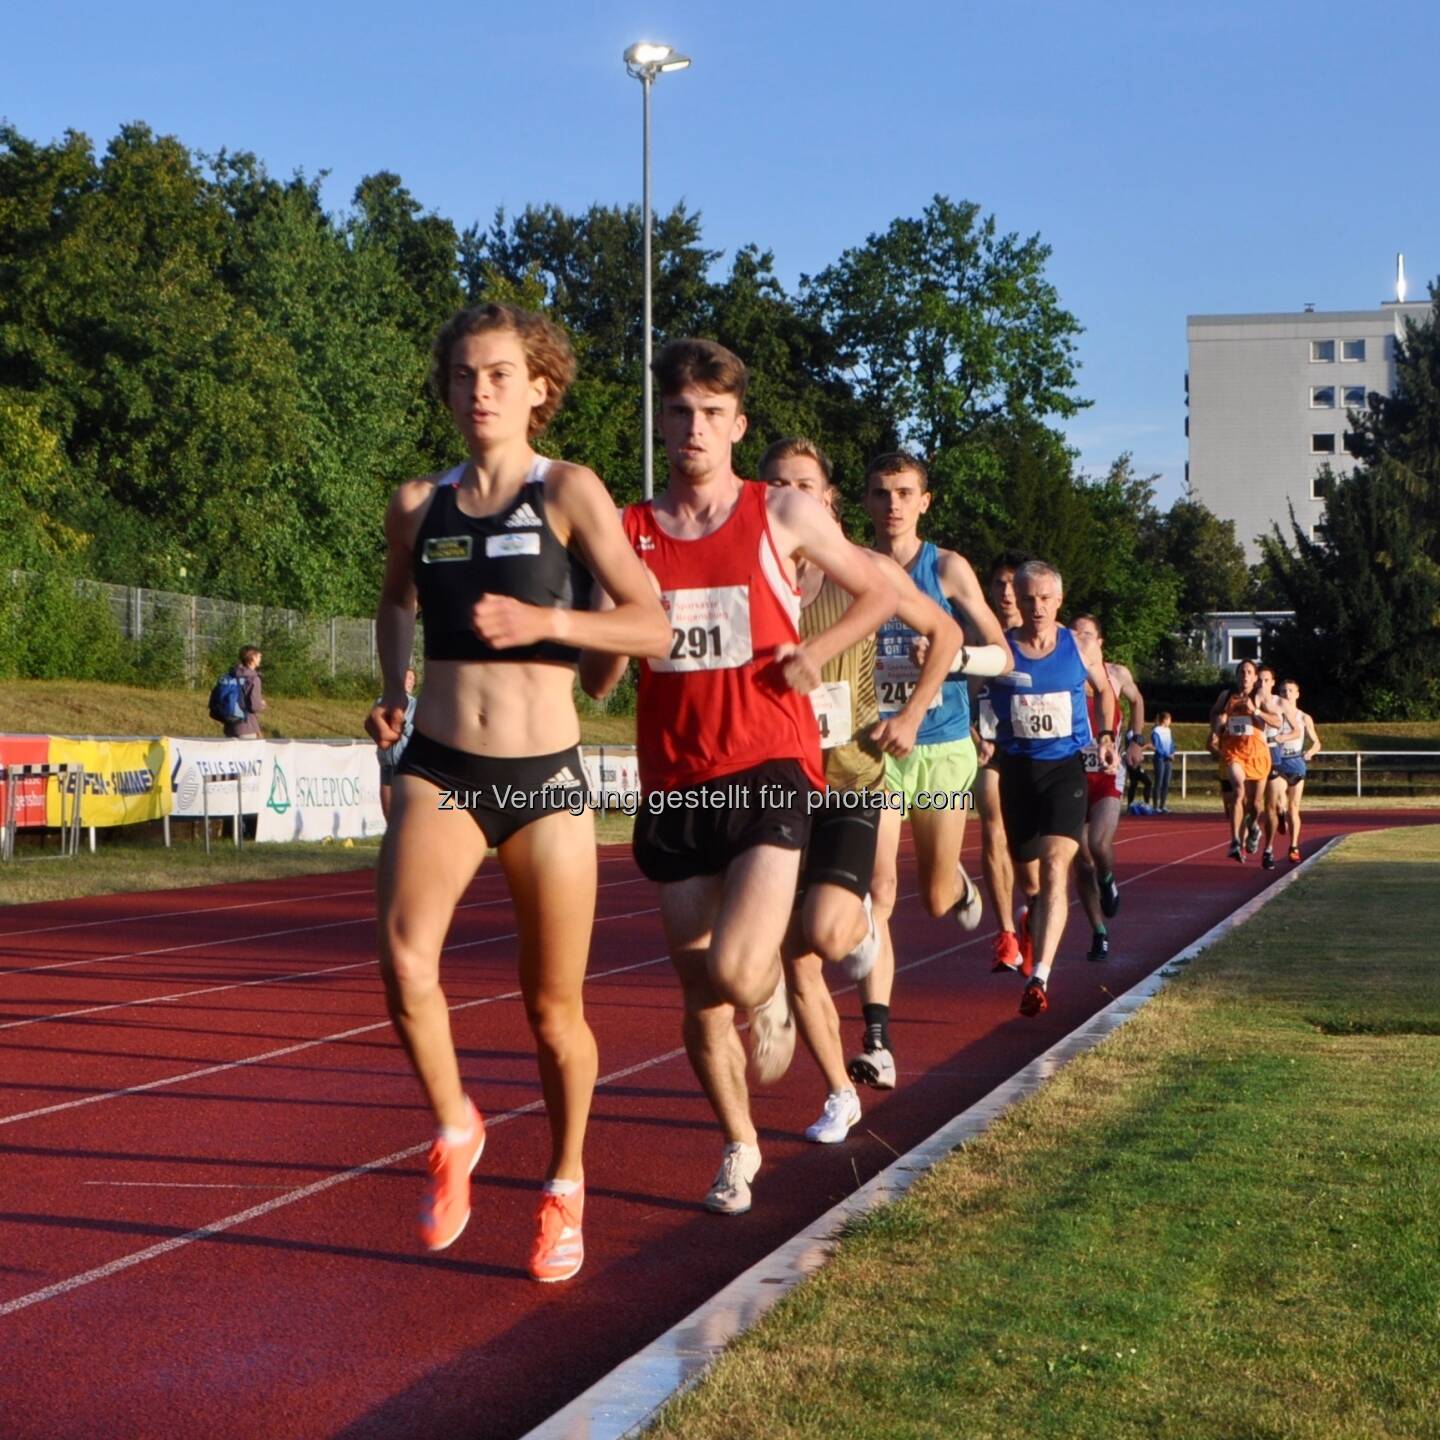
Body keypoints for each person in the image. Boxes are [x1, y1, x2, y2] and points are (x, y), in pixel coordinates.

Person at [368, 302, 669, 1283]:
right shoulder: (419, 503)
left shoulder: (569, 490)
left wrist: (555, 622)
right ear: (446, 389)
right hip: (443, 766)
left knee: (552, 1013)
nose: (480, 390)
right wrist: (392, 690)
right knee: (406, 960)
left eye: (499, 374)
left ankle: (565, 1184)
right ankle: (457, 1127)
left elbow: (651, 626)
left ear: (538, 387)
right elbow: (395, 600)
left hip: (545, 780)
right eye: (463, 375)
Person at [581, 340, 896, 1216]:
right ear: (662, 421)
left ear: (736, 425)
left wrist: (817, 652)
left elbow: (875, 591)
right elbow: (600, 679)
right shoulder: (627, 530)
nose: (693, 429)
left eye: (712, 415)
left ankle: (771, 991)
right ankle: (739, 1144)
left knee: (733, 969)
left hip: (769, 765)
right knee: (702, 998)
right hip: (676, 781)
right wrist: (606, 631)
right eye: (678, 413)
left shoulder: (780, 512)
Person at [760, 436, 962, 1147]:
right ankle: (840, 1094)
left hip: (850, 777)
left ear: (828, 499)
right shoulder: (752, 578)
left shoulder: (867, 570)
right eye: (776, 483)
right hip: (777, 783)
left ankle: (867, 934)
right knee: (796, 956)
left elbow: (945, 630)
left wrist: (912, 714)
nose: (790, 495)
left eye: (805, 485)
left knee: (825, 930)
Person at [850, 452, 1012, 1089]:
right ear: (864, 503)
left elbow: (1001, 653)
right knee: (880, 891)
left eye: (904, 493)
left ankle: (963, 888)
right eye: (881, 493)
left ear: (925, 502)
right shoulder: (849, 565)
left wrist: (954, 655)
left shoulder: (946, 568)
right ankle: (878, 1040)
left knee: (936, 896)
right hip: (877, 748)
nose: (892, 504)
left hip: (942, 749)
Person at [985, 561, 1116, 1016]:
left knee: (1060, 863)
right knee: (1030, 878)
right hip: (1018, 770)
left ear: (1059, 601)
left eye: (1045, 598)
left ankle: (1040, 975)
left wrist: (1105, 736)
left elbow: (1105, 690)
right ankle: (1030, 919)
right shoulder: (999, 648)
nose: (1036, 607)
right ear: (1016, 602)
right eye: (1028, 599)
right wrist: (974, 731)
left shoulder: (1079, 646)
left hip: (1066, 768)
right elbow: (965, 685)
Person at [1069, 615, 1145, 964]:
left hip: (1107, 772)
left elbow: (1137, 700)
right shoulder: (1062, 674)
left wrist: (1135, 740)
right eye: (1075, 633)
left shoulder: (1116, 674)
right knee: (1079, 862)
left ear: (1100, 642)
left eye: (1088, 634)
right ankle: (1098, 931)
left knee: (1099, 844)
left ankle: (1109, 877)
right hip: (1070, 776)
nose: (1080, 638)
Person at [973, 552, 1032, 975]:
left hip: (1034, 754)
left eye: (1013, 584)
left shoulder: (1043, 637)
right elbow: (958, 693)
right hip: (991, 751)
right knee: (992, 826)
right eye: (998, 584)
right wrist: (974, 735)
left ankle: (1030, 913)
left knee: (1031, 867)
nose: (1006, 593)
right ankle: (1006, 932)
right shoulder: (974, 633)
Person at [1207, 659, 1283, 862]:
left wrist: (1256, 711)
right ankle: (1234, 842)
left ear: (1255, 676)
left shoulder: (1260, 696)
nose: (1245, 676)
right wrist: (1218, 725)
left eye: (1249, 672)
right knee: (1238, 792)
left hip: (1257, 754)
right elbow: (1214, 715)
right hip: (1234, 752)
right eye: (1242, 672)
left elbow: (1277, 721)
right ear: (1237, 676)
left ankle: (1253, 826)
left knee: (1256, 804)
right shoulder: (1226, 697)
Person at [1270, 679, 1321, 863]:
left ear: (1298, 694)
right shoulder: (1274, 715)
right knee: (1278, 803)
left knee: (1294, 807)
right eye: (1283, 691)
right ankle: (1280, 814)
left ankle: (1294, 846)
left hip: (1296, 762)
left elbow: (1316, 742)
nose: (1287, 694)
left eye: (1290, 691)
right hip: (1277, 761)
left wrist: (1311, 752)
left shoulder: (1304, 717)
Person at [376, 667, 418, 820]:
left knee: (407, 811)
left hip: (405, 764)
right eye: (408, 678)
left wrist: (404, 724)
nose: (410, 682)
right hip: (387, 762)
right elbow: (377, 726)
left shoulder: (416, 705)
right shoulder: (382, 701)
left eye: (412, 680)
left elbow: (418, 733)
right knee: (388, 813)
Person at [224, 646, 266, 739]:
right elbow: (254, 706)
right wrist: (261, 704)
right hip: (247, 728)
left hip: (230, 727)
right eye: (258, 656)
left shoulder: (232, 675)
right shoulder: (254, 679)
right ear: (252, 658)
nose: (260, 657)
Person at [1150, 711, 1176, 812]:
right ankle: (1155, 806)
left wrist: (1173, 752)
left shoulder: (1168, 730)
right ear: (1164, 720)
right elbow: (1156, 746)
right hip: (1160, 759)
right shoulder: (1156, 730)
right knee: (1158, 782)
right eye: (1169, 719)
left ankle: (1163, 805)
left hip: (1168, 759)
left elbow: (1172, 743)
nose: (1170, 721)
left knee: (1166, 782)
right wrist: (1166, 754)